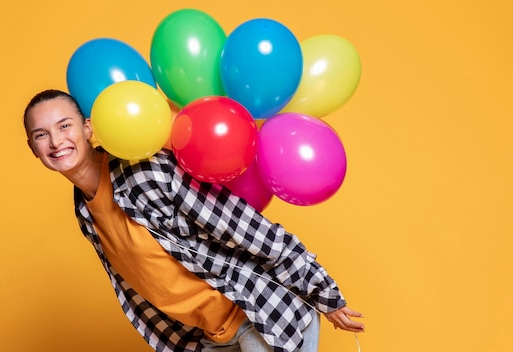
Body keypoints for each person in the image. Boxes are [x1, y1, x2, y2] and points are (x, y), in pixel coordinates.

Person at [23, 89, 364, 352]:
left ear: (87, 128)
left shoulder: (143, 172)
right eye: (41, 134)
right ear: (32, 148)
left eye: (64, 126)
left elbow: (245, 227)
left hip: (261, 315)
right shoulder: (85, 212)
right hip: (211, 339)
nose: (55, 141)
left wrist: (321, 291)